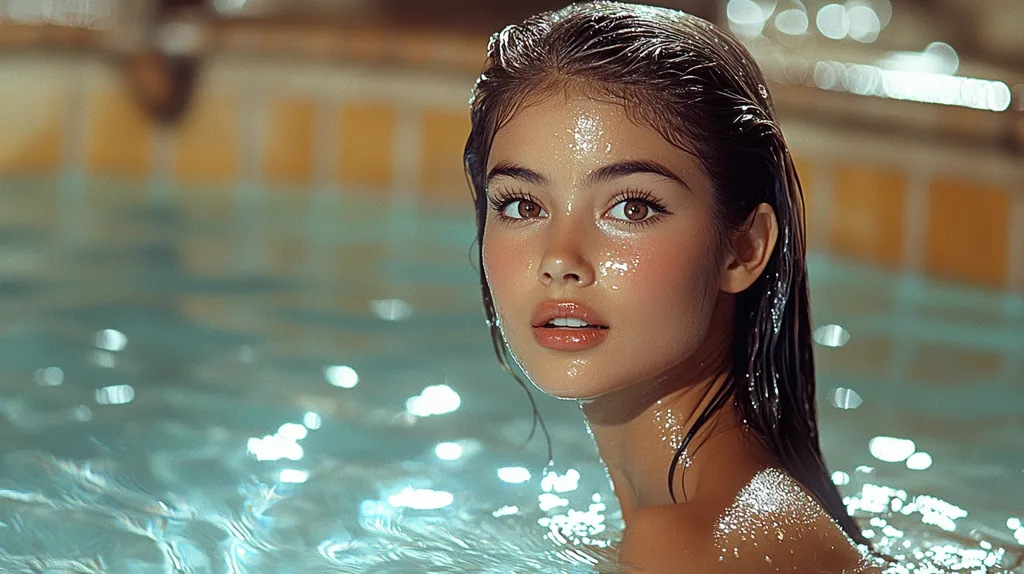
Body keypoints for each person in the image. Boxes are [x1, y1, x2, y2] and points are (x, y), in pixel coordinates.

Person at [463, 2, 879, 572]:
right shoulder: (747, 517)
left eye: (631, 208)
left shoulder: (689, 544)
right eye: (522, 205)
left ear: (743, 248)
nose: (559, 260)